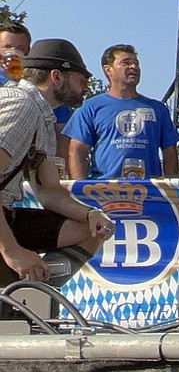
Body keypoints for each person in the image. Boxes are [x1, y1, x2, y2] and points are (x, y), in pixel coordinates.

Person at [0, 38, 115, 286]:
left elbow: (49, 191)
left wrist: (92, 214)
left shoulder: (41, 115)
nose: (85, 88)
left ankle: (32, 300)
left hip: (4, 215)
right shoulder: (22, 105)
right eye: (81, 80)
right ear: (57, 77)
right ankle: (19, 301)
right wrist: (12, 251)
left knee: (91, 229)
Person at [63, 44, 179, 179]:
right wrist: (80, 189)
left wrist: (171, 188)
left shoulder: (158, 109)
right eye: (126, 63)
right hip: (103, 189)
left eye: (136, 63)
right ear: (108, 70)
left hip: (149, 190)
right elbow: (78, 150)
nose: (134, 67)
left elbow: (170, 151)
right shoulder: (90, 108)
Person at [0, 22, 71, 160]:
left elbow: (62, 135)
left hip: (36, 166)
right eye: (7, 47)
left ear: (29, 52)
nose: (14, 52)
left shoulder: (42, 84)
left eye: (20, 48)